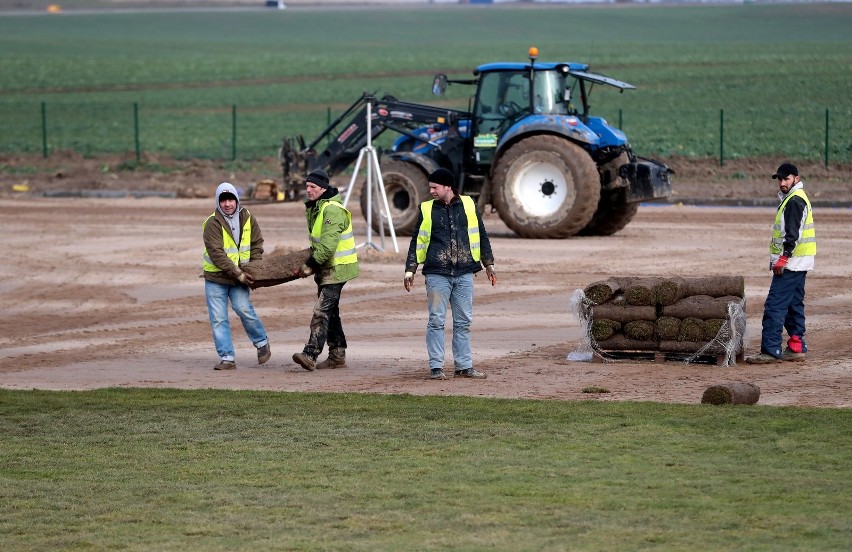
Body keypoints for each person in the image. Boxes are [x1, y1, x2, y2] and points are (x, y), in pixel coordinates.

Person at [404, 168, 496, 380]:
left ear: (448, 187)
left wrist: (488, 263)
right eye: (430, 187)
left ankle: (464, 366)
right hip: (437, 273)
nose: (431, 191)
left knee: (463, 322)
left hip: (465, 272)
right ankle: (436, 367)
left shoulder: (469, 205)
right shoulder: (426, 209)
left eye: (435, 187)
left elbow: (481, 234)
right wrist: (410, 269)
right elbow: (417, 240)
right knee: (436, 321)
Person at [746, 163, 816, 364]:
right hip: (800, 263)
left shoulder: (794, 201)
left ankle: (770, 350)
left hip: (790, 263)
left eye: (786, 179)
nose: (782, 183)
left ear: (796, 178)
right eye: (780, 179)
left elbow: (792, 234)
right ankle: (795, 345)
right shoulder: (796, 198)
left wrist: (783, 258)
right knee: (794, 305)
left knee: (774, 306)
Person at [292, 169, 359, 371]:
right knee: (331, 313)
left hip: (337, 269)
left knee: (321, 311)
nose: (309, 190)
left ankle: (310, 354)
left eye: (313, 187)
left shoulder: (332, 209)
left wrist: (309, 265)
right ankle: (337, 355)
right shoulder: (317, 208)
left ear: (323, 188)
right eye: (307, 187)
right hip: (328, 269)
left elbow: (328, 246)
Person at [202, 182, 271, 370]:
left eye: (231, 199)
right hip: (216, 278)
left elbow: (257, 244)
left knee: (243, 309)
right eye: (223, 200)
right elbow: (217, 254)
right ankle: (227, 358)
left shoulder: (248, 218)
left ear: (237, 200)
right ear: (218, 202)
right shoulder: (211, 223)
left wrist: (254, 268)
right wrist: (238, 273)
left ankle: (262, 343)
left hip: (240, 277)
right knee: (218, 319)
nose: (227, 204)